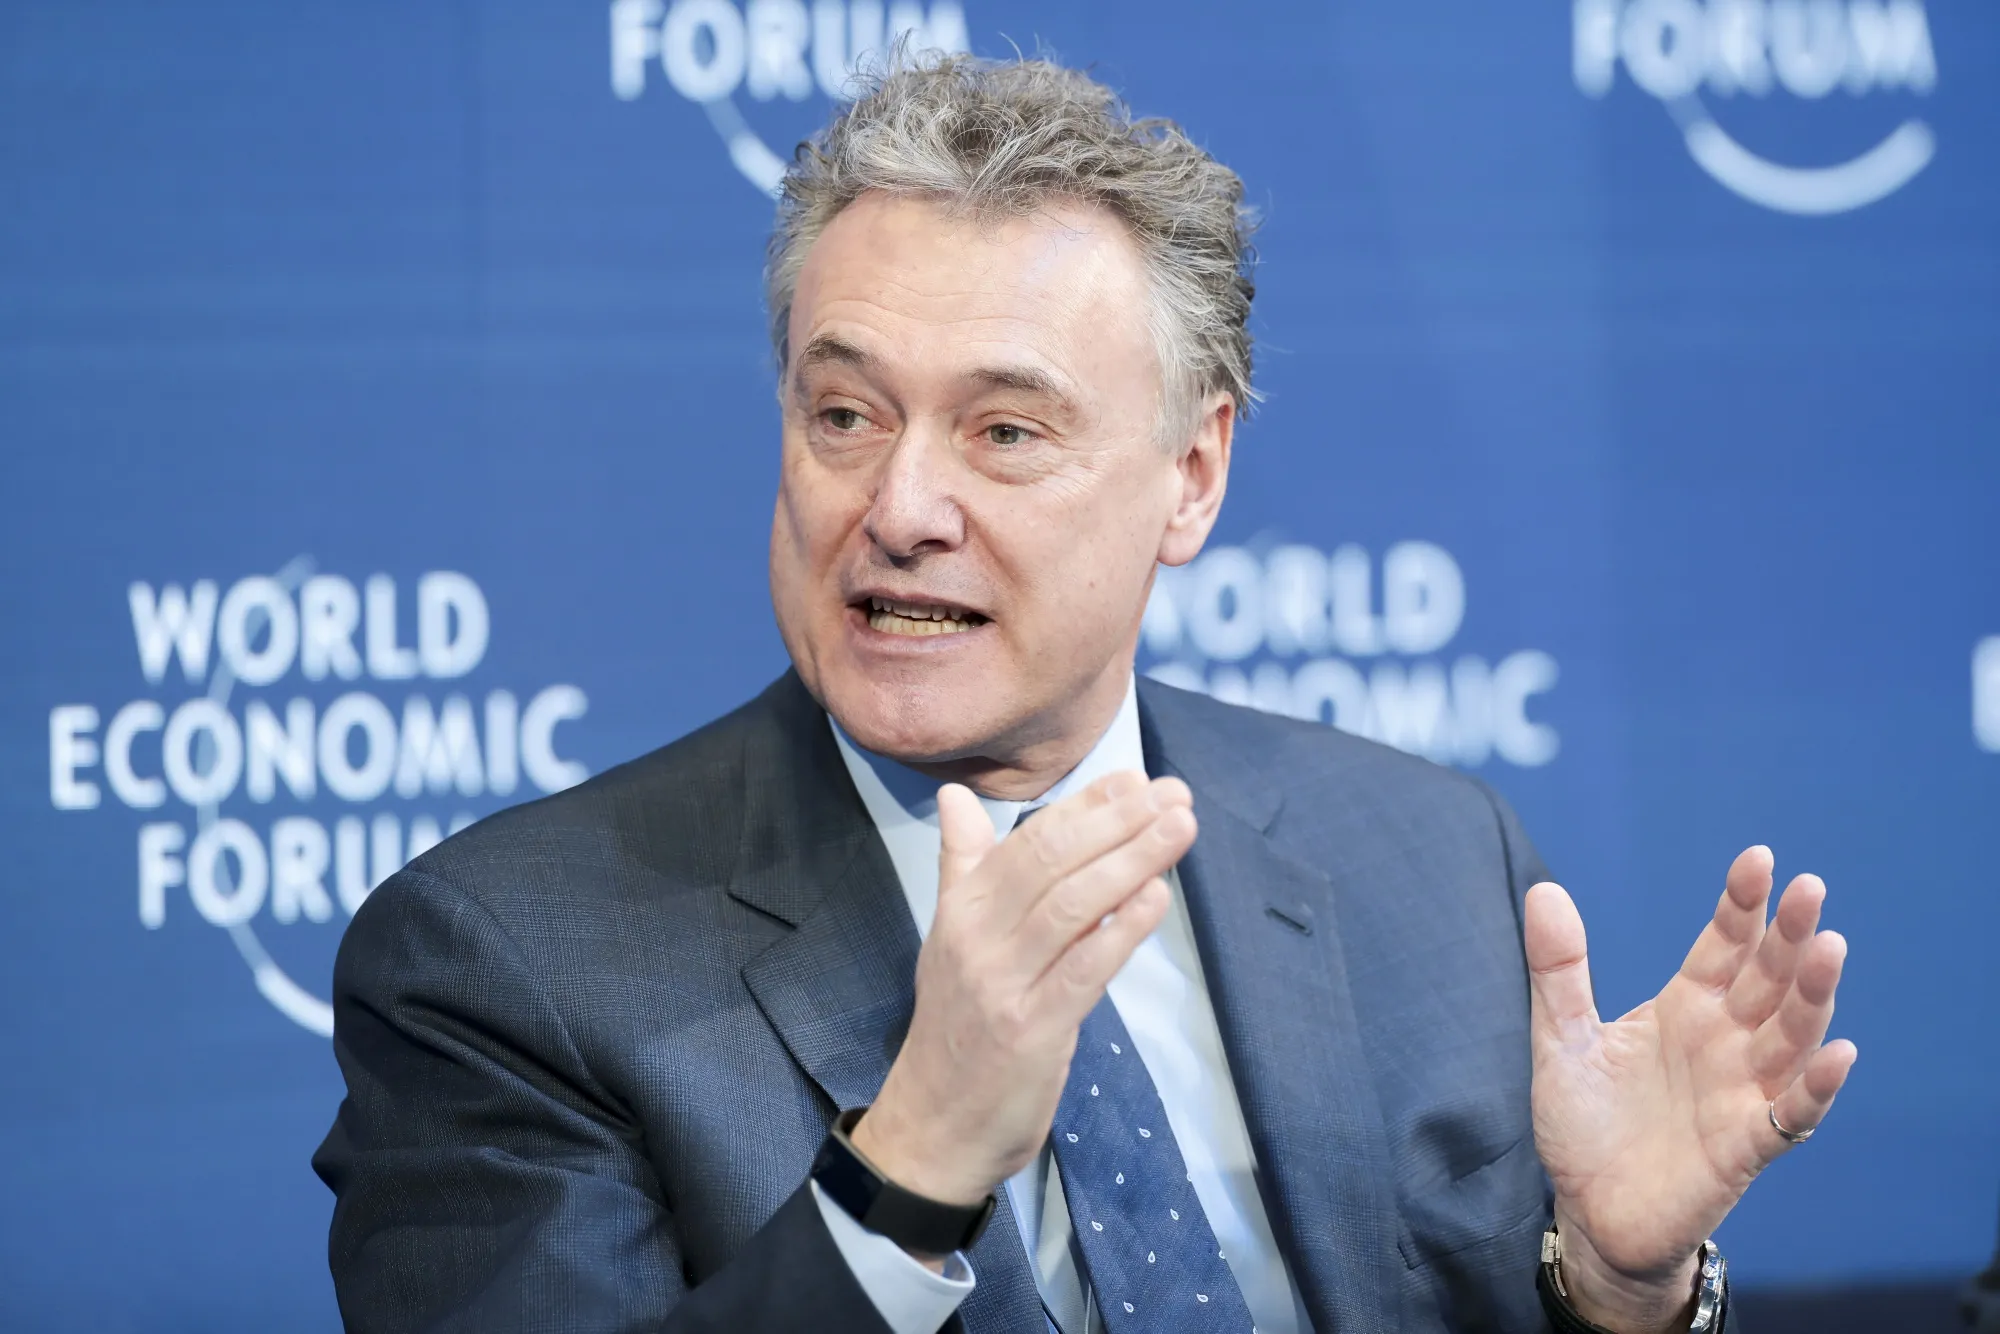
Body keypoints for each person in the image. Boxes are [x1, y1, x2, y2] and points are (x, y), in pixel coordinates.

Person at [313, 54, 1855, 1334]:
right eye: (843, 413)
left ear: (1193, 475)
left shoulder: (1428, 859)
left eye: (1005, 432)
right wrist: (911, 1167)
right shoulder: (509, 965)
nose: (899, 505)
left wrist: (1617, 1290)